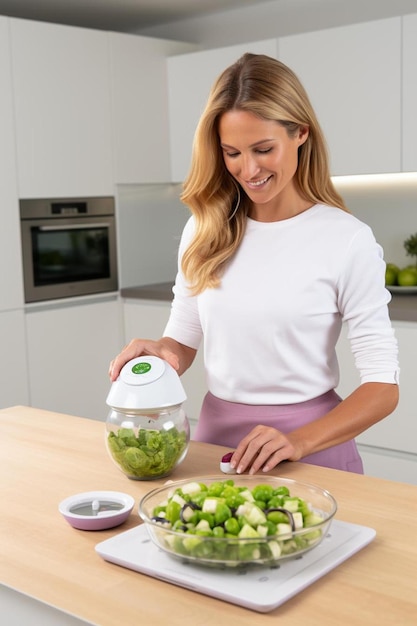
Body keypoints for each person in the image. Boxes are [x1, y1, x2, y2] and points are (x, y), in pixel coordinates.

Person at [109, 53, 399, 476]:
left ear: (301, 132)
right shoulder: (204, 228)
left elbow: (382, 388)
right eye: (232, 153)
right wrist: (161, 352)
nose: (248, 169)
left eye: (264, 149)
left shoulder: (346, 239)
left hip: (312, 451)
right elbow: (183, 341)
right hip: (216, 445)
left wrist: (298, 441)